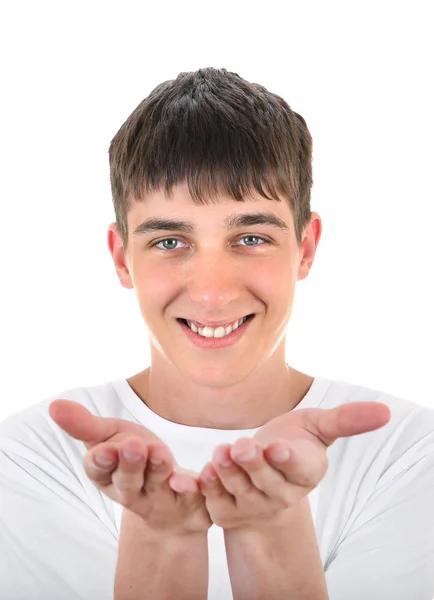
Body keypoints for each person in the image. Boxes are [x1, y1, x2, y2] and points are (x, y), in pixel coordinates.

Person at [1, 67, 434, 600]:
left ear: (307, 247)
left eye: (250, 237)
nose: (211, 292)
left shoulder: (409, 453)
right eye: (168, 242)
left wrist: (272, 530)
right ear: (121, 258)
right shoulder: (30, 456)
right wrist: (161, 538)